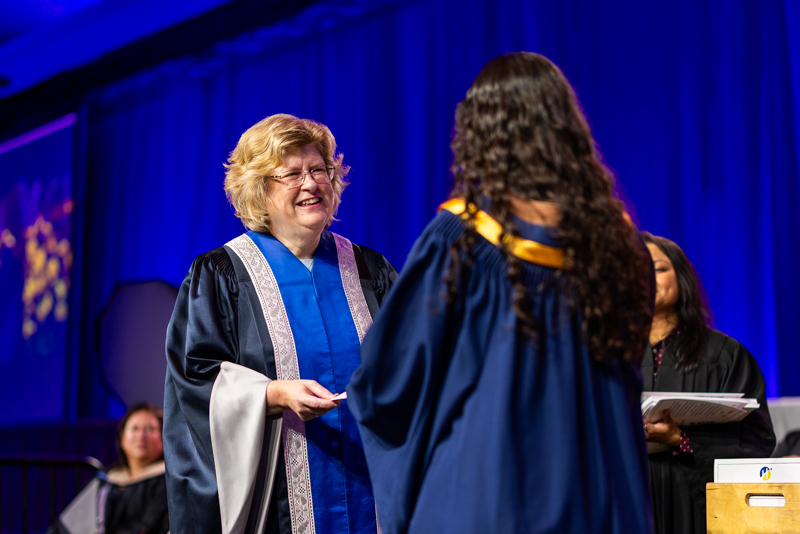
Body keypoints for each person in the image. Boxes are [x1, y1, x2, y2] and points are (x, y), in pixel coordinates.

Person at [347, 52, 655, 534]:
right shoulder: (619, 246)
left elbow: (390, 379)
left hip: (490, 493)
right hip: (599, 493)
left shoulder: (463, 238)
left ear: (481, 133)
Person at [163, 114, 397, 533]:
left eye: (319, 170)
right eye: (292, 174)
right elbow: (194, 380)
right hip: (277, 505)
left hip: (375, 492)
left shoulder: (369, 270)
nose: (311, 184)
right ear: (259, 190)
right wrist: (273, 394)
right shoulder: (223, 275)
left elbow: (408, 356)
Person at [641, 232, 775, 534]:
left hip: (695, 506)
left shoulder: (724, 355)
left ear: (682, 277)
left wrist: (681, 439)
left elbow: (757, 439)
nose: (647, 276)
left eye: (658, 268)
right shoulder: (608, 354)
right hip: (629, 499)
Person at [51, 402, 169, 534]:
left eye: (150, 429)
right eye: (134, 428)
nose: (141, 436)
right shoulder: (107, 479)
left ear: (163, 439)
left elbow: (150, 526)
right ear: (122, 439)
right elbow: (70, 523)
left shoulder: (168, 480)